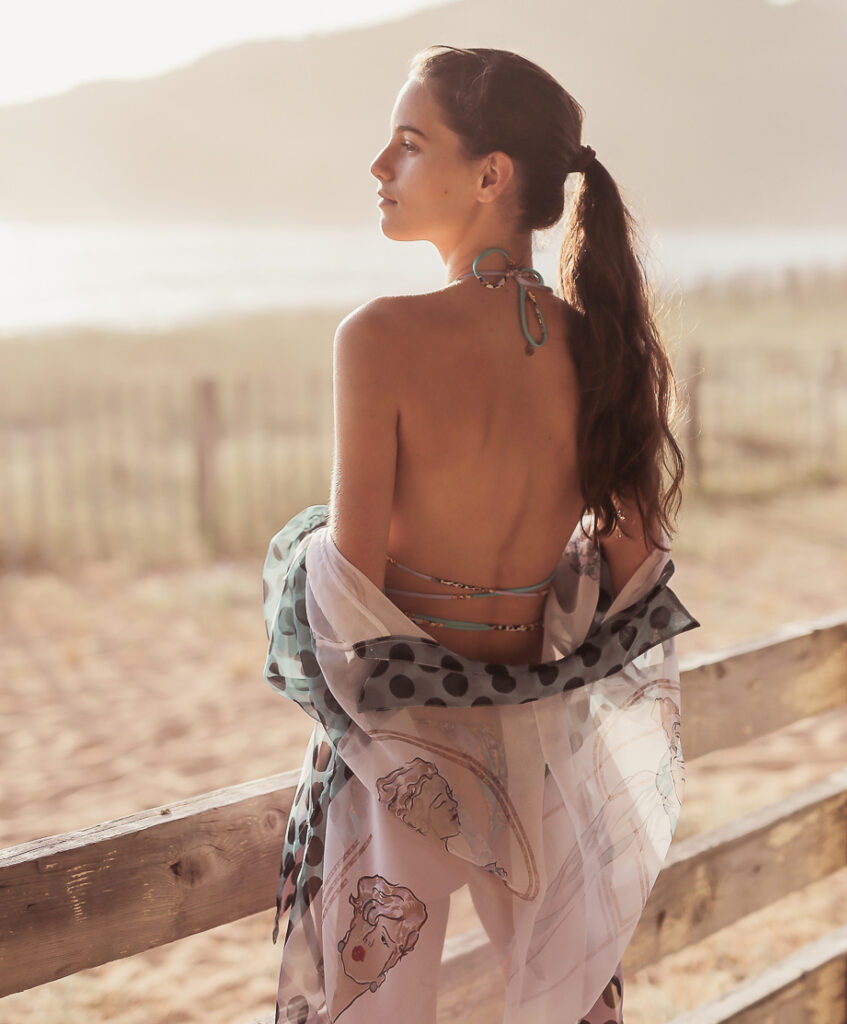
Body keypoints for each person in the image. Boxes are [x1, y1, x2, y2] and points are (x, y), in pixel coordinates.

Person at [261, 44, 700, 1024]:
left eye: (409, 144)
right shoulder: (600, 343)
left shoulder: (376, 337)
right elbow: (635, 574)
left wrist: (298, 553)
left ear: (490, 175)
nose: (379, 167)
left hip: (408, 759)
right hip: (539, 750)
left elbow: (351, 589)